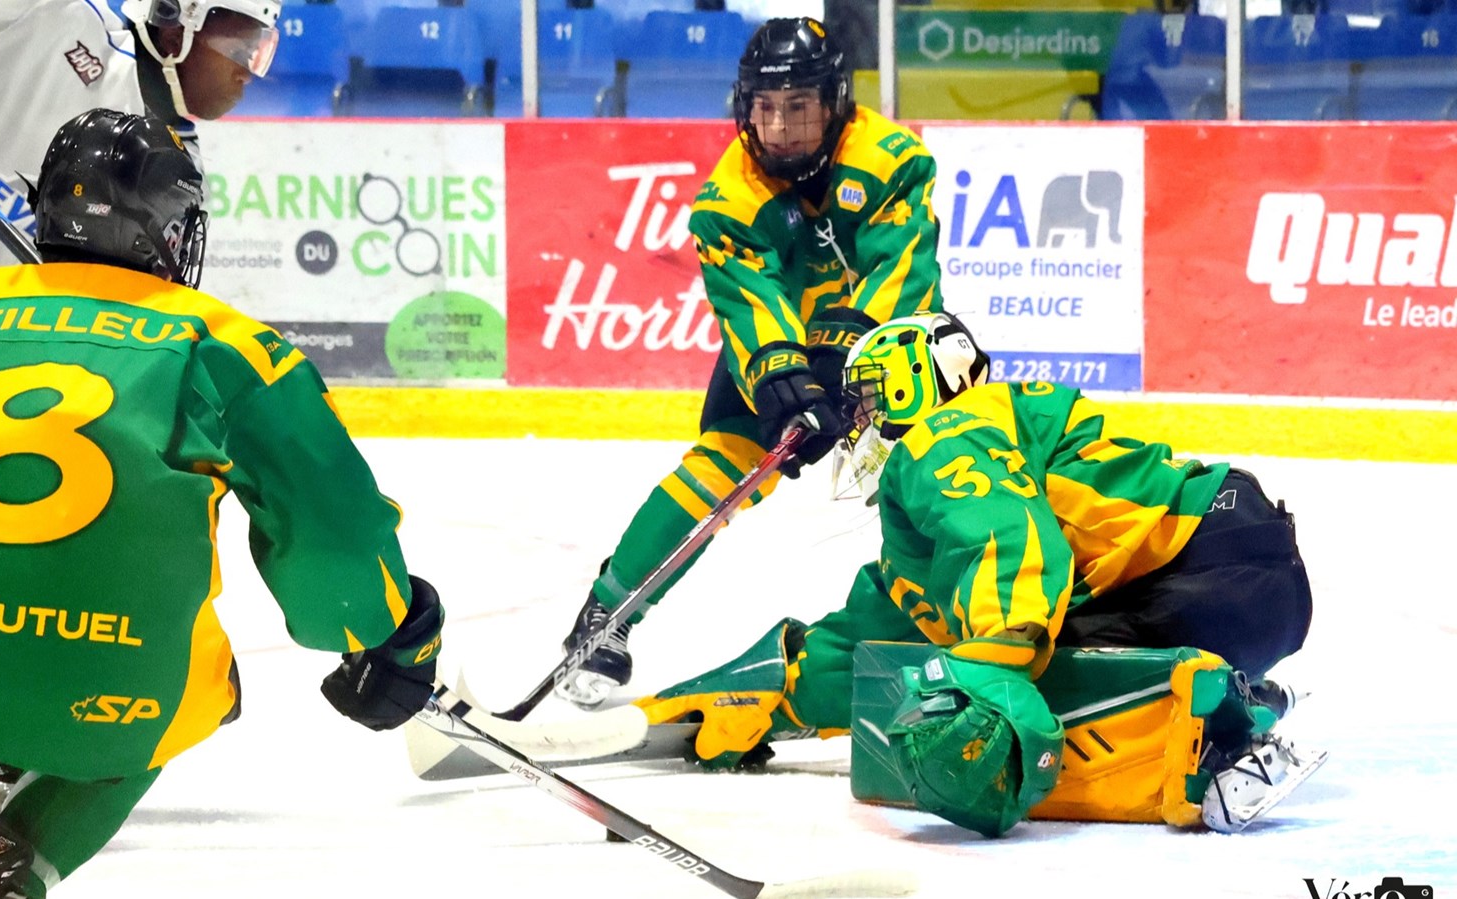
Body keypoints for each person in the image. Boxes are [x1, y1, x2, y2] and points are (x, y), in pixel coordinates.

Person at [0, 109, 442, 898]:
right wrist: (388, 633)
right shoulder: (228, 345)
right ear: (171, 232)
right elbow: (333, 555)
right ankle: (14, 866)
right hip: (105, 691)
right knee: (203, 674)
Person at [631, 315, 1321, 836]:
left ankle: (1222, 739)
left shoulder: (946, 433)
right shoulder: (946, 480)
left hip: (1202, 563)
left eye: (868, 397)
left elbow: (1007, 538)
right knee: (958, 663)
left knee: (992, 682)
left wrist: (993, 662)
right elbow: (886, 629)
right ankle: (1241, 695)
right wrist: (772, 693)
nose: (859, 422)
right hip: (1230, 569)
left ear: (908, 382)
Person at [556, 16, 980, 707]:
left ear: (835, 103)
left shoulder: (891, 160)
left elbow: (900, 268)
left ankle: (967, 617)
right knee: (718, 468)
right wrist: (787, 379)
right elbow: (751, 306)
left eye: (799, 108)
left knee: (943, 465)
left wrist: (851, 367)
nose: (779, 128)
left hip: (889, 348)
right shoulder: (728, 200)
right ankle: (610, 611)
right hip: (783, 352)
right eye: (766, 109)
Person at [0, 0, 280, 302]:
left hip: (1, 380)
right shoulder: (43, 16)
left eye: (258, 50)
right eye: (238, 46)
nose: (247, 70)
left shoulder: (180, 173)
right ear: (174, 25)